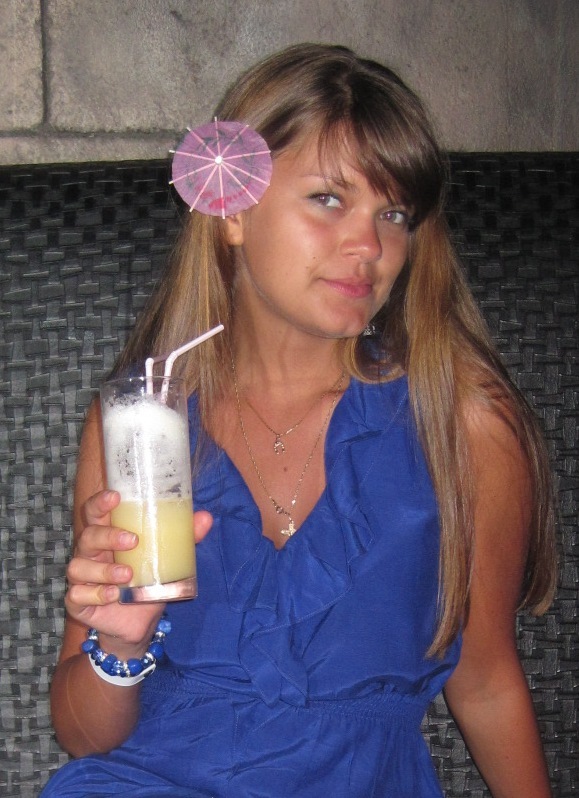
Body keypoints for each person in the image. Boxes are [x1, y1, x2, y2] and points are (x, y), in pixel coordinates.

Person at [41, 43, 556, 797]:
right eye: (328, 199)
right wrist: (119, 645)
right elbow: (84, 736)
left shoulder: (464, 424)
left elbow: (484, 683)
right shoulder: (142, 427)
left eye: (393, 214)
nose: (369, 247)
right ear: (233, 212)